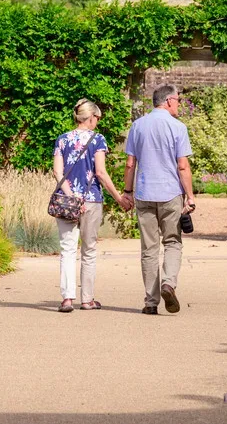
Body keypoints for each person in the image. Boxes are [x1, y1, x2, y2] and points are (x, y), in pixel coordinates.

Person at [53, 98, 132, 313]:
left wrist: (71, 196)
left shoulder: (62, 140)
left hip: (67, 202)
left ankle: (67, 298)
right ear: (90, 117)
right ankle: (86, 299)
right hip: (91, 200)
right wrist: (119, 198)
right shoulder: (98, 140)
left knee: (67, 249)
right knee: (88, 250)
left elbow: (57, 172)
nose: (98, 122)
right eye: (97, 118)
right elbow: (100, 173)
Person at [122, 85, 195, 315]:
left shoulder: (137, 126)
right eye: (179, 100)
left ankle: (150, 302)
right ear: (169, 101)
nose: (180, 105)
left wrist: (127, 191)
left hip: (144, 193)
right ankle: (168, 284)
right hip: (170, 194)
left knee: (149, 249)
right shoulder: (178, 127)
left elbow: (130, 163)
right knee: (172, 242)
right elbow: (182, 166)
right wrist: (190, 196)